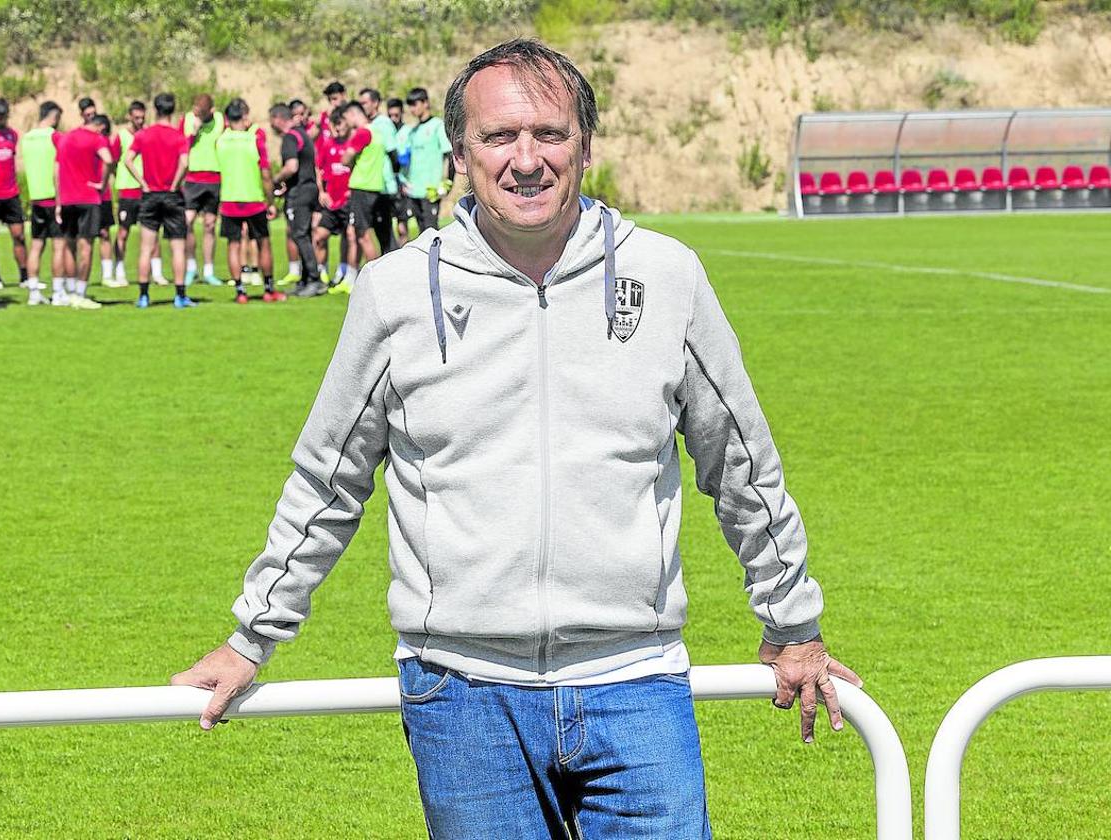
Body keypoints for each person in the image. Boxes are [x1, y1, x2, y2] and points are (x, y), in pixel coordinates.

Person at [171, 39, 863, 838]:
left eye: (550, 134)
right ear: (459, 151)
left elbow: (741, 461)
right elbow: (329, 479)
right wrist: (251, 636)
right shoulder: (396, 291)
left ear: (587, 145)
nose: (526, 159)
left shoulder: (667, 277)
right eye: (499, 137)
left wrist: (793, 623)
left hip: (635, 685)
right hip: (462, 694)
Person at [122, 92, 190, 308]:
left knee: (146, 248)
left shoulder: (144, 135)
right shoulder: (178, 136)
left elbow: (127, 160)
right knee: (178, 248)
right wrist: (175, 183)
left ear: (155, 109)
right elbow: (185, 163)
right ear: (172, 110)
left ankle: (143, 295)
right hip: (171, 195)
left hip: (150, 195)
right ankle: (179, 295)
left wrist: (142, 182)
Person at [215, 98, 282, 304]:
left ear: (226, 119)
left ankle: (240, 292)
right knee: (264, 243)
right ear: (244, 117)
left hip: (230, 200)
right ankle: (269, 289)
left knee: (233, 246)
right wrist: (270, 201)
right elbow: (265, 173)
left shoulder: (221, 141)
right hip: (254, 199)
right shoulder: (254, 139)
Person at [54, 108, 114, 309]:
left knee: (68, 244)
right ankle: (80, 293)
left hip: (68, 198)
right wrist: (102, 183)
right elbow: (108, 159)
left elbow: (56, 170)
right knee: (86, 246)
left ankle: (70, 291)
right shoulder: (96, 139)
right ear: (101, 127)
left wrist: (59, 200)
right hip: (88, 197)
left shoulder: (65, 138)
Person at [270, 103, 326, 297]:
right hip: (309, 189)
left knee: (300, 235)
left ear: (278, 119)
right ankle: (304, 280)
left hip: (300, 193)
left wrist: (275, 180)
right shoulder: (303, 134)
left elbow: (292, 166)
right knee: (303, 234)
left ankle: (314, 280)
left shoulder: (290, 138)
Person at [111, 100, 163, 285]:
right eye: (137, 117)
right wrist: (120, 178)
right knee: (123, 233)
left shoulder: (148, 134)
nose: (140, 121)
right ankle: (119, 270)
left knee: (152, 232)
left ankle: (157, 272)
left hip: (147, 191)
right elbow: (112, 161)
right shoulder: (122, 136)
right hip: (127, 191)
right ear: (129, 117)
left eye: (142, 117)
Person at [20, 101, 64, 306]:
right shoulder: (55, 137)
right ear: (54, 117)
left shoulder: (26, 138)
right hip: (53, 198)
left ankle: (33, 292)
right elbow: (59, 168)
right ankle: (57, 292)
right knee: (58, 246)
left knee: (36, 246)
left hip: (35, 197)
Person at [0, 97, 28, 291]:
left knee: (19, 235)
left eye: (5, 115)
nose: (2, 119)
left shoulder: (12, 135)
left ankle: (24, 276)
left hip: (11, 194)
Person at [179, 93, 224, 286]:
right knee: (187, 222)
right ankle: (191, 267)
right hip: (192, 178)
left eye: (202, 113)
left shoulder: (221, 120)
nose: (197, 114)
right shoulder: (187, 120)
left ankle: (209, 270)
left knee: (210, 225)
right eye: (196, 111)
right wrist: (193, 133)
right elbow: (180, 147)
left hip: (213, 177)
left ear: (211, 111)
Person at [340, 100, 385, 281]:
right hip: (373, 187)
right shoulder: (376, 132)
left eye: (346, 118)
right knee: (359, 232)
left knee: (363, 235)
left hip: (362, 187)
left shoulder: (363, 132)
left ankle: (375, 277)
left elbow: (345, 158)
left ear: (353, 114)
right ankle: (356, 275)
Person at [402, 87, 454, 236]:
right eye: (410, 105)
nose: (412, 109)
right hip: (414, 190)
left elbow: (449, 155)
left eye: (415, 104)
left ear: (425, 103)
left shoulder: (437, 125)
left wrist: (447, 183)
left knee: (431, 231)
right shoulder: (413, 131)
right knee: (420, 233)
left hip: (430, 190)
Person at [313, 108, 353, 292]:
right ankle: (320, 272)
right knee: (320, 236)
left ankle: (343, 272)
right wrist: (322, 192)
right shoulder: (327, 145)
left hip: (348, 201)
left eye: (341, 124)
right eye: (334, 125)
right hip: (331, 202)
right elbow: (319, 169)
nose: (337, 129)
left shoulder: (353, 146)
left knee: (348, 237)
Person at [358, 88, 400, 253]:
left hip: (385, 187)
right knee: (379, 231)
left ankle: (395, 271)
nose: (362, 106)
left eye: (365, 103)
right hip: (372, 185)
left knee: (386, 232)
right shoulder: (367, 125)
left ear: (375, 103)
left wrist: (394, 179)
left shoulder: (383, 124)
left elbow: (393, 153)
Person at [90, 113, 119, 287]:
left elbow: (112, 163)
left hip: (104, 194)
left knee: (105, 234)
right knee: (84, 237)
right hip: (88, 194)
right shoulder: (86, 141)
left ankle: (107, 275)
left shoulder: (105, 142)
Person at [388, 97, 412, 247]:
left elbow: (408, 158)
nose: (393, 119)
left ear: (402, 113)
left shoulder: (408, 131)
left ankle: (403, 250)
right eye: (390, 116)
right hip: (388, 182)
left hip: (402, 181)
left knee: (402, 224)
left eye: (396, 115)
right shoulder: (387, 131)